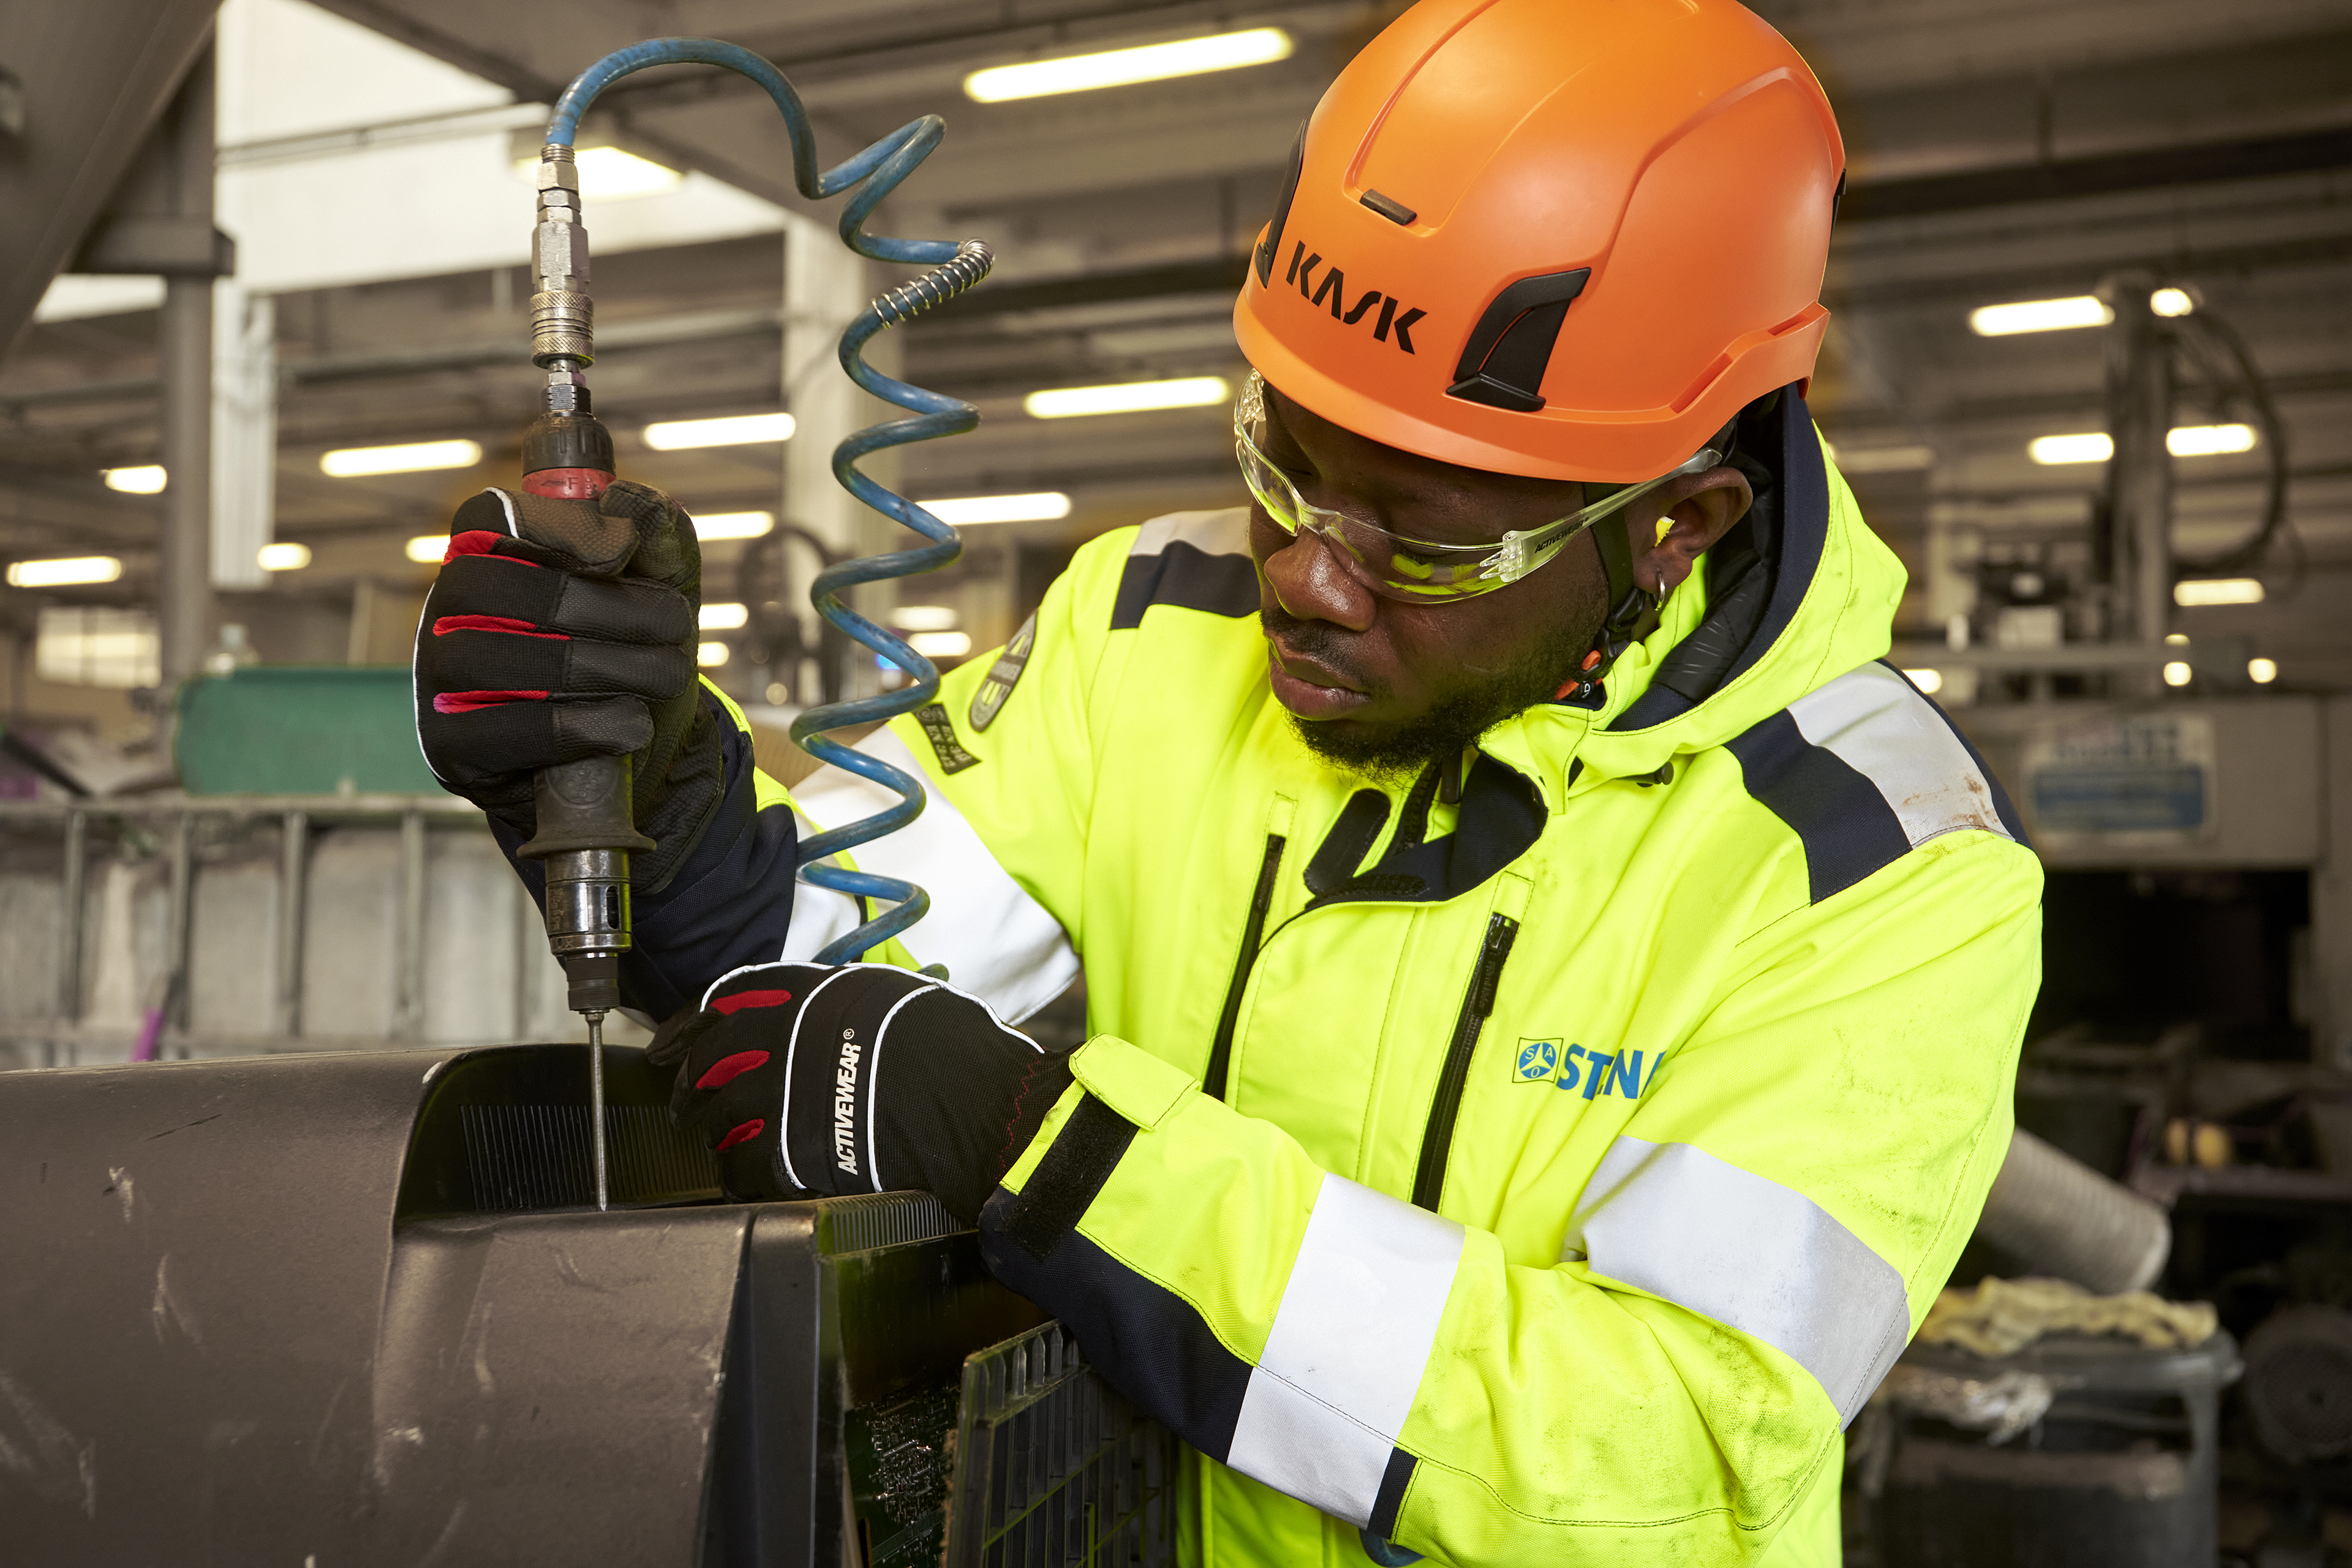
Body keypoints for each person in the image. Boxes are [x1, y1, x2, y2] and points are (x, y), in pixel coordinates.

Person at [412, 1, 2041, 1560]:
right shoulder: (1149, 627)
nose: (1307, 579)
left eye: (1420, 536)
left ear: (1677, 522)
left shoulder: (1879, 873)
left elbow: (1663, 1455)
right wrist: (656, 782)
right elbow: (810, 979)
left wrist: (1063, 1163)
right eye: (1287, 462)